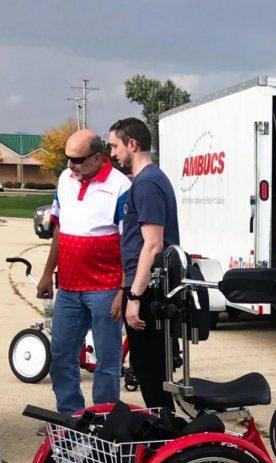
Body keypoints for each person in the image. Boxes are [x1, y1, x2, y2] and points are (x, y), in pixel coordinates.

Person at [37, 130, 131, 416]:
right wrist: (46, 273)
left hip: (105, 289)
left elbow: (129, 245)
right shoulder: (65, 180)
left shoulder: (121, 186)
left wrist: (122, 291)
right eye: (68, 159)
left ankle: (103, 421)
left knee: (107, 362)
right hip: (68, 287)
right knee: (62, 355)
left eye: (77, 160)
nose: (70, 166)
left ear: (98, 157)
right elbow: (59, 231)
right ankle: (71, 418)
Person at [108, 118, 179, 411]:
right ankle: (166, 437)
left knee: (149, 370)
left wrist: (134, 296)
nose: (112, 154)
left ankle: (168, 442)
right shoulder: (148, 180)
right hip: (147, 287)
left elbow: (153, 244)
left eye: (115, 146)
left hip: (150, 291)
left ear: (132, 144)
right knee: (149, 370)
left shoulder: (147, 183)